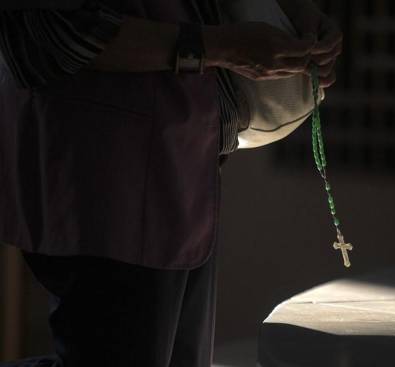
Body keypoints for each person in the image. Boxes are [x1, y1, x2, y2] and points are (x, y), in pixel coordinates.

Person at [0, 0, 342, 366]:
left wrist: (293, 13)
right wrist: (223, 48)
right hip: (102, 176)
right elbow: (54, 31)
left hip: (185, 161)